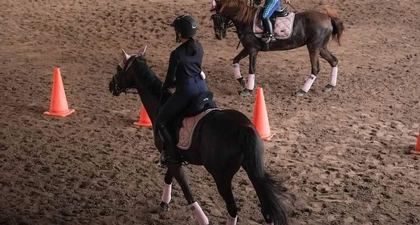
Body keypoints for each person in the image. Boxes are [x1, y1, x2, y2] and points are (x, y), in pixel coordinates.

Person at [157, 15, 208, 165]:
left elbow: (168, 80)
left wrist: (164, 88)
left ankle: (172, 152)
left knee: (161, 121)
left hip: (186, 91)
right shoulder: (199, 47)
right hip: (201, 86)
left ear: (179, 33)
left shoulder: (176, 54)